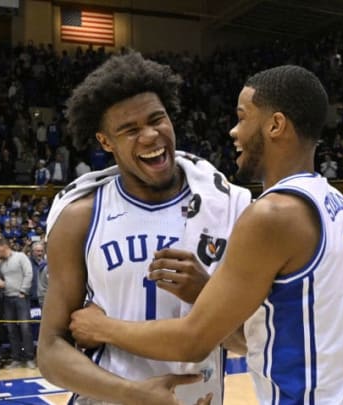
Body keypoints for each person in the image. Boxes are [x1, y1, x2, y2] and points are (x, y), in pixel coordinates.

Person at [69, 65, 343, 404]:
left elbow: (192, 340)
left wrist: (100, 327)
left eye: (243, 118)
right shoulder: (330, 199)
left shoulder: (272, 215)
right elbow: (254, 340)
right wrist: (205, 292)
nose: (233, 131)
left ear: (275, 125)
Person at [38, 52, 251, 405]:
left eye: (157, 119)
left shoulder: (227, 208)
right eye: (131, 130)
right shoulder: (80, 218)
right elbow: (50, 351)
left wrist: (207, 295)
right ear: (106, 142)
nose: (151, 136)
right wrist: (135, 394)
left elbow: (247, 341)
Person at [0, 237, 35, 369]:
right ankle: (16, 358)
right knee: (11, 330)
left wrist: (23, 291)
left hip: (20, 297)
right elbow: (3, 278)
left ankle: (29, 357)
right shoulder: (1, 263)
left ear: (4, 246)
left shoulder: (20, 257)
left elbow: (28, 273)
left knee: (25, 328)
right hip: (7, 297)